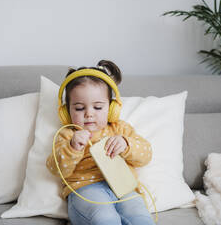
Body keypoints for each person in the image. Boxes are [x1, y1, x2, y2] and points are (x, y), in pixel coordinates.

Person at [46, 60, 154, 225]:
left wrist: (126, 145)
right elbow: (55, 167)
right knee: (104, 219)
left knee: (141, 218)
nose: (89, 114)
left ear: (111, 109)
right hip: (86, 189)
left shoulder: (120, 129)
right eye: (80, 108)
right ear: (67, 112)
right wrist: (72, 148)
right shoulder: (68, 134)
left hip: (124, 187)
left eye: (97, 107)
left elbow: (146, 154)